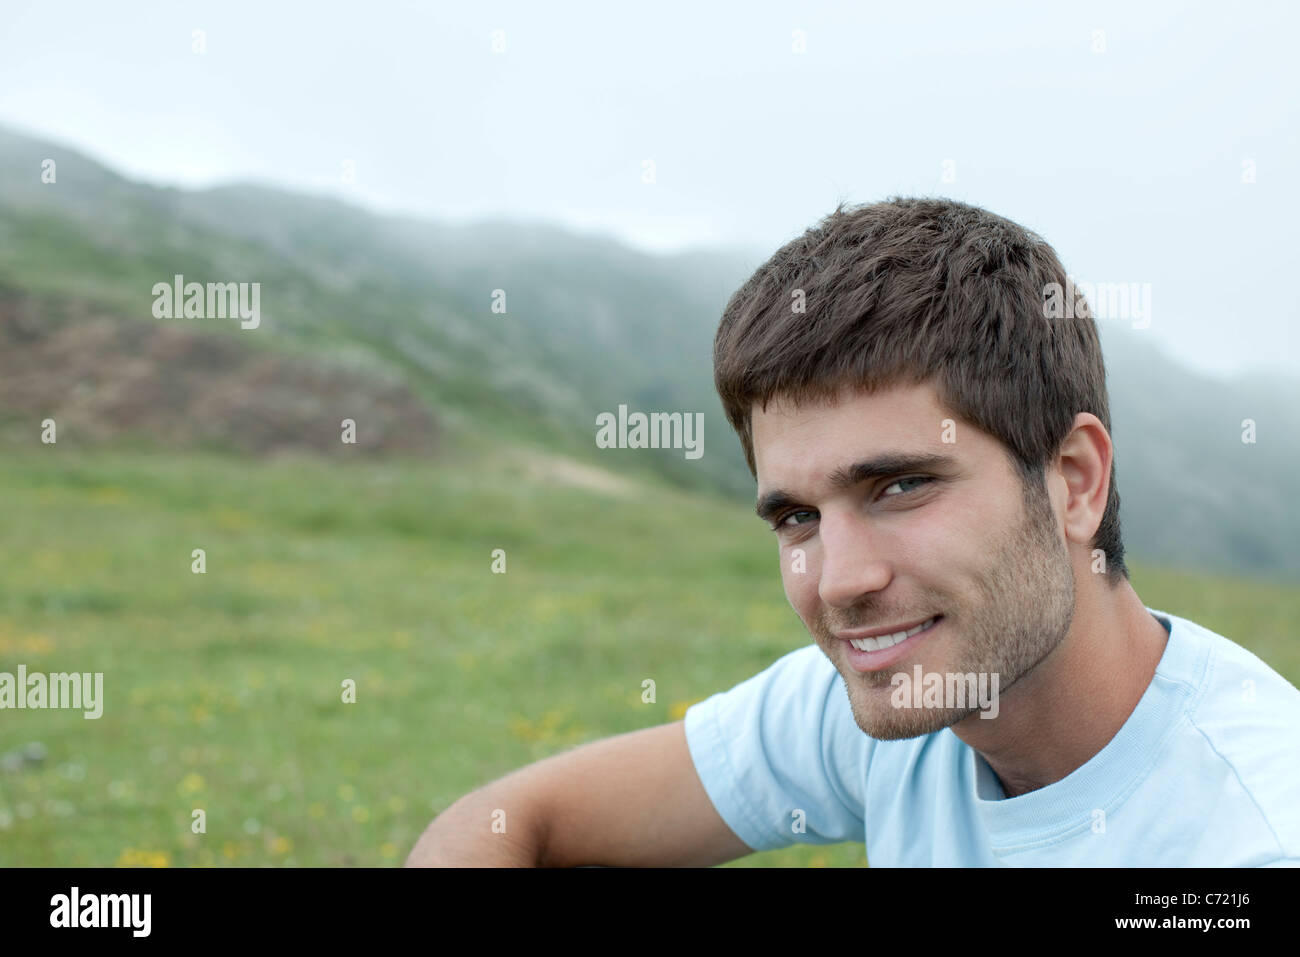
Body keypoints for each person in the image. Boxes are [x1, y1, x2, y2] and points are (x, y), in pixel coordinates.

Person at [407, 198, 1300, 867]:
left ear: (1075, 482)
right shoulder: (886, 697)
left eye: (901, 485)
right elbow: (504, 822)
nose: (839, 581)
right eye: (797, 516)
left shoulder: (1250, 833)